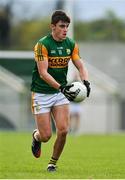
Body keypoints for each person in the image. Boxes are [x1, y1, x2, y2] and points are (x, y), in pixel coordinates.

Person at [31, 10, 91, 172]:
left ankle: (52, 163)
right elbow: (43, 73)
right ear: (53, 27)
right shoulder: (42, 45)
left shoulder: (71, 44)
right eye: (62, 26)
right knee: (46, 136)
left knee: (64, 130)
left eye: (67, 26)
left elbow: (80, 66)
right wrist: (61, 87)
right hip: (41, 93)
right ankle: (36, 137)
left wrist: (86, 82)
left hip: (60, 94)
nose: (65, 29)